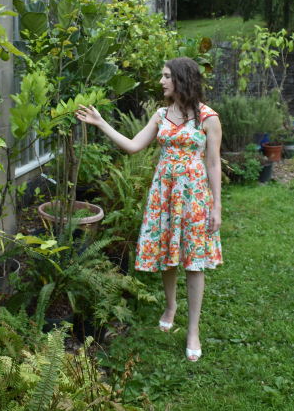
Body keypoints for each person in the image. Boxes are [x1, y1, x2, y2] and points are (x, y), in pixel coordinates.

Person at [76, 56, 222, 361]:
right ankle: (171, 306)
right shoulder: (160, 115)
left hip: (195, 197)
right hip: (165, 195)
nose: (161, 81)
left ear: (182, 79)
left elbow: (212, 162)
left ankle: (192, 330)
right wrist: (101, 122)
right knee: (168, 256)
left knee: (194, 262)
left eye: (166, 76)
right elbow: (132, 145)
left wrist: (216, 205)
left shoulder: (209, 118)